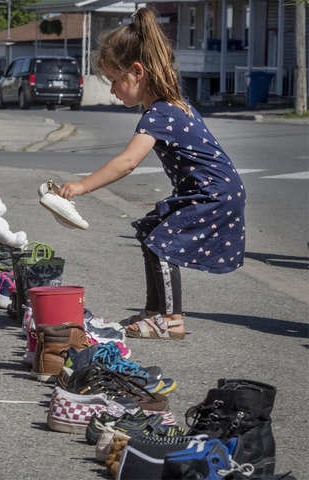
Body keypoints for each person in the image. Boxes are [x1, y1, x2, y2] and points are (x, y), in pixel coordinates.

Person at [59, 7, 246, 340]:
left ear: (137, 71)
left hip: (212, 192)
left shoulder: (159, 113)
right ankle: (155, 311)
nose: (114, 91)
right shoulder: (169, 105)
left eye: (115, 81)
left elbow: (128, 162)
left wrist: (81, 186)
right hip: (211, 189)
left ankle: (170, 320)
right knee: (151, 231)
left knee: (162, 241)